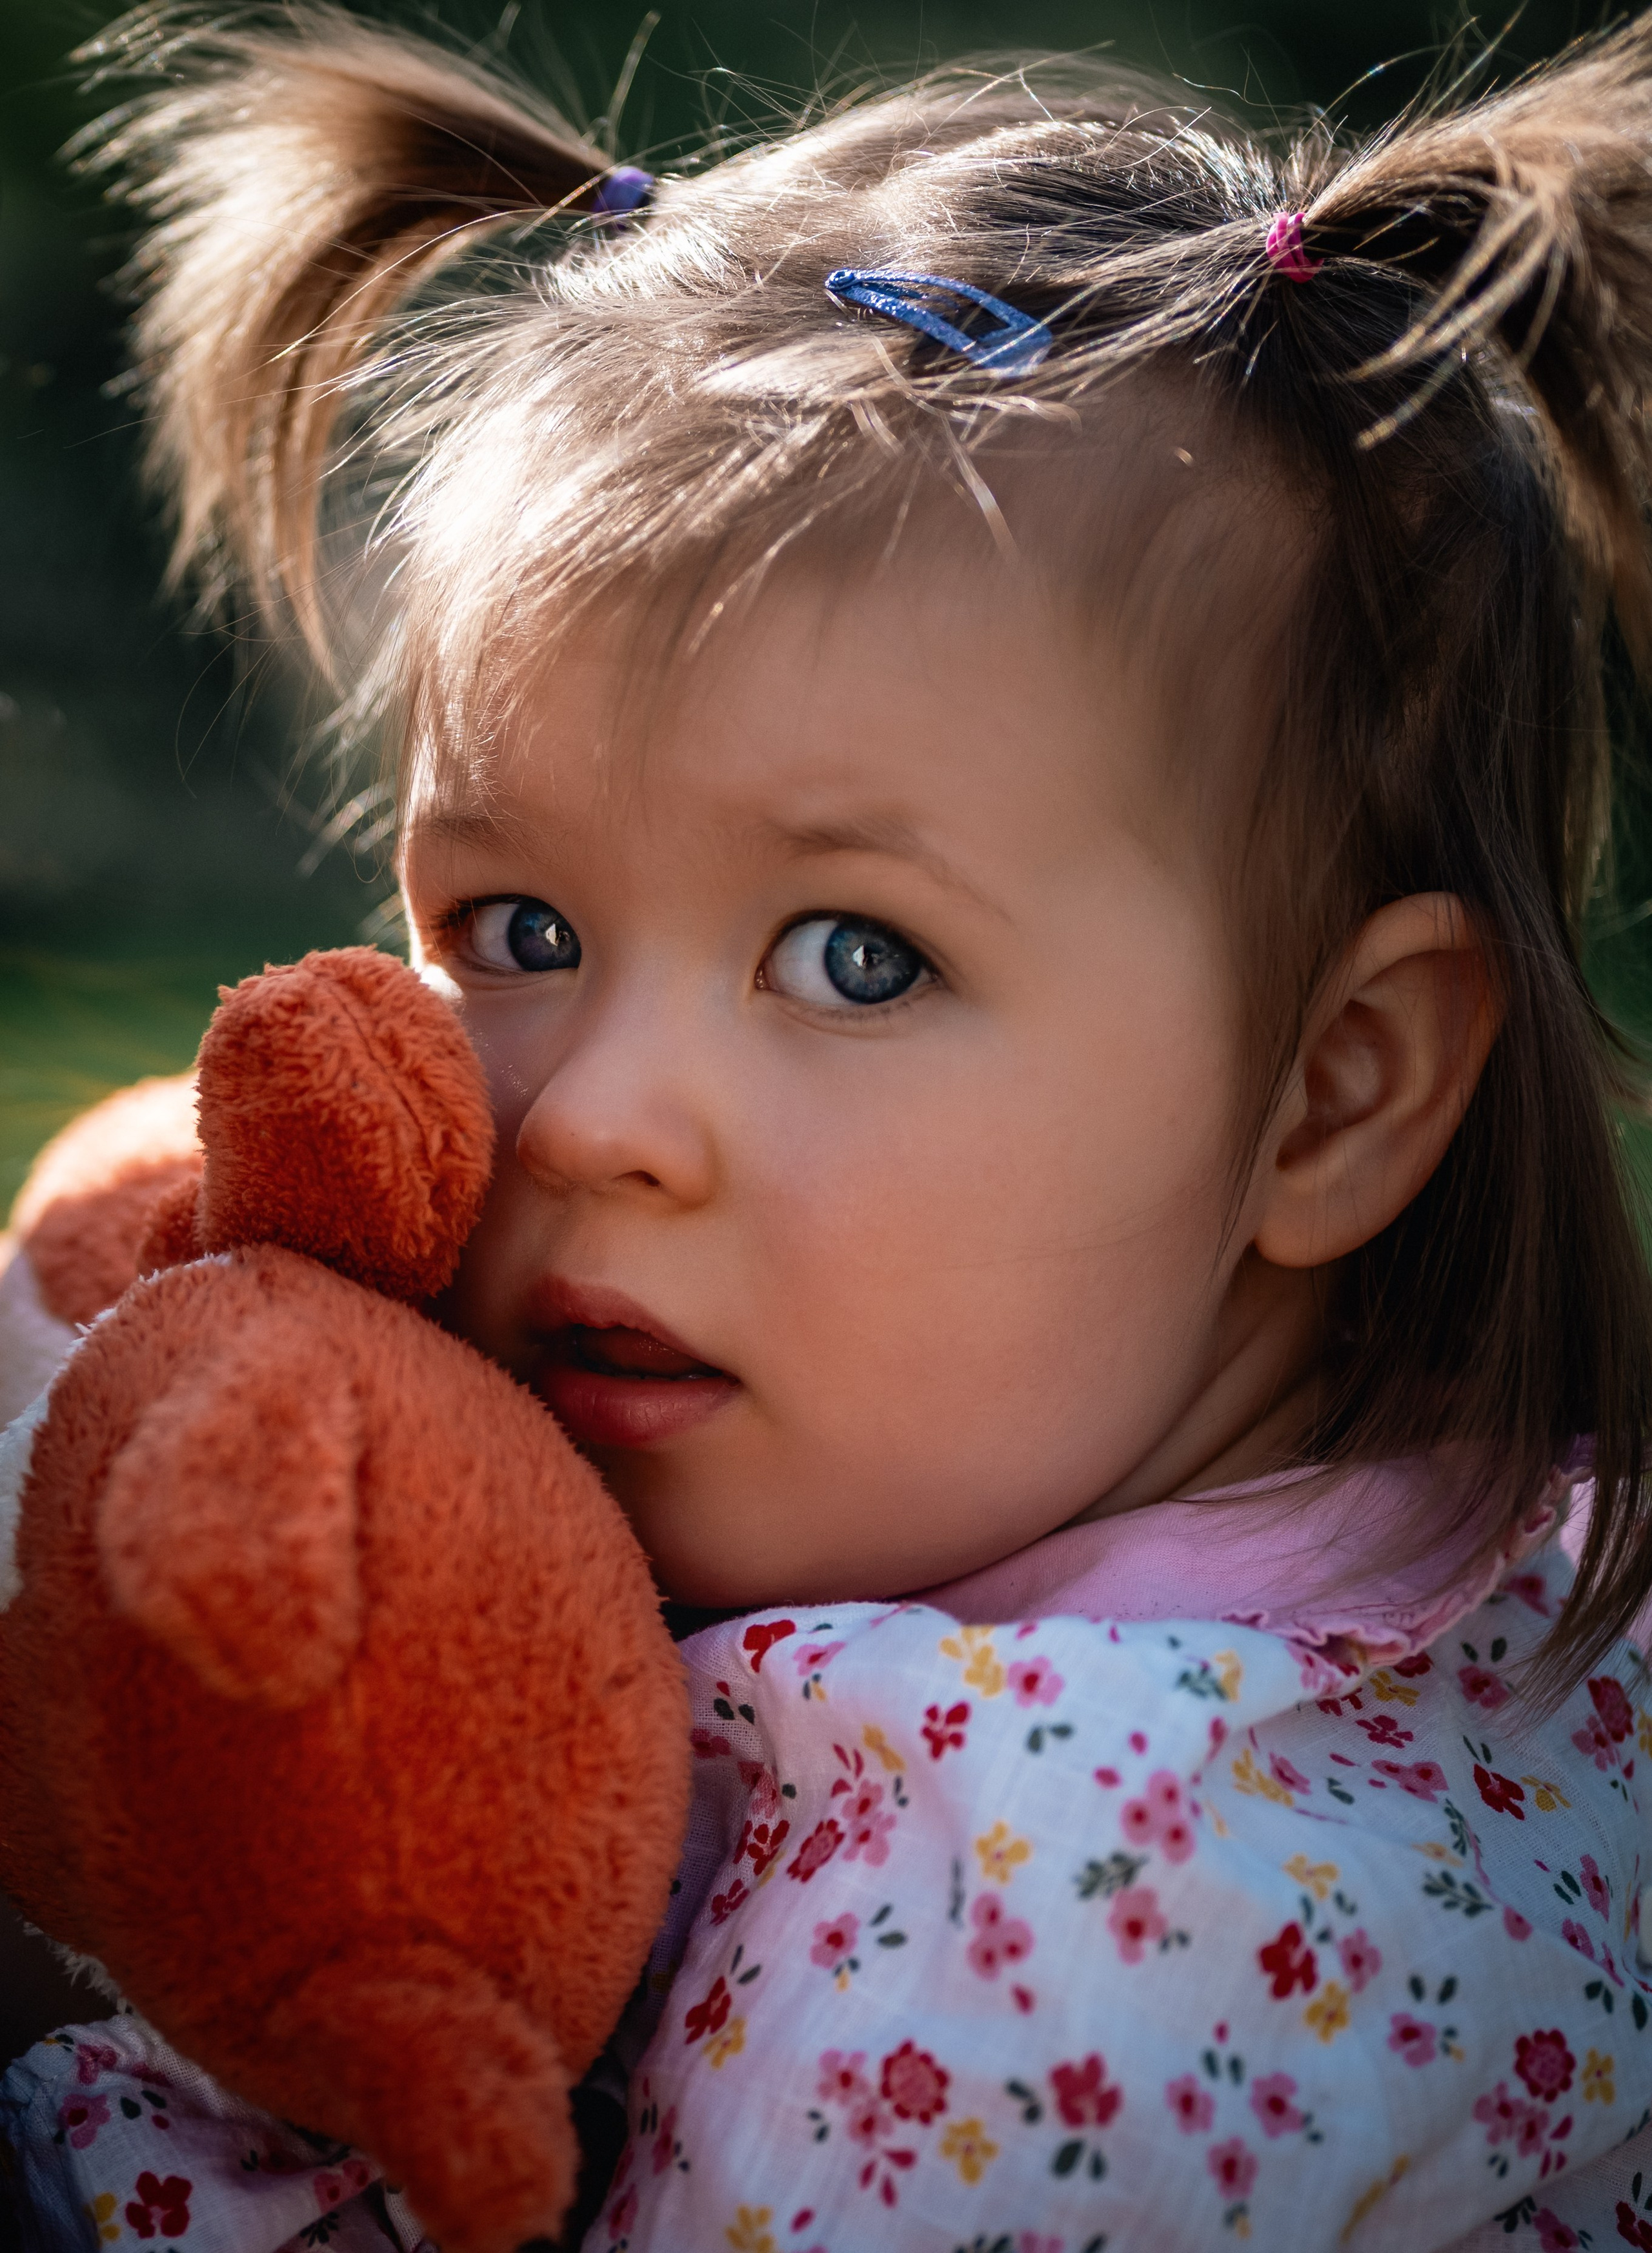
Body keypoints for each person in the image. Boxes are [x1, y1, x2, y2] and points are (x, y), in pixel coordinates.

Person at [7, 4, 1652, 2246]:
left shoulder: (1076, 1901)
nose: (597, 1115)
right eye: (515, 921)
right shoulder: (1374, 1567)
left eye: (856, 957)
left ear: (1331, 1088)